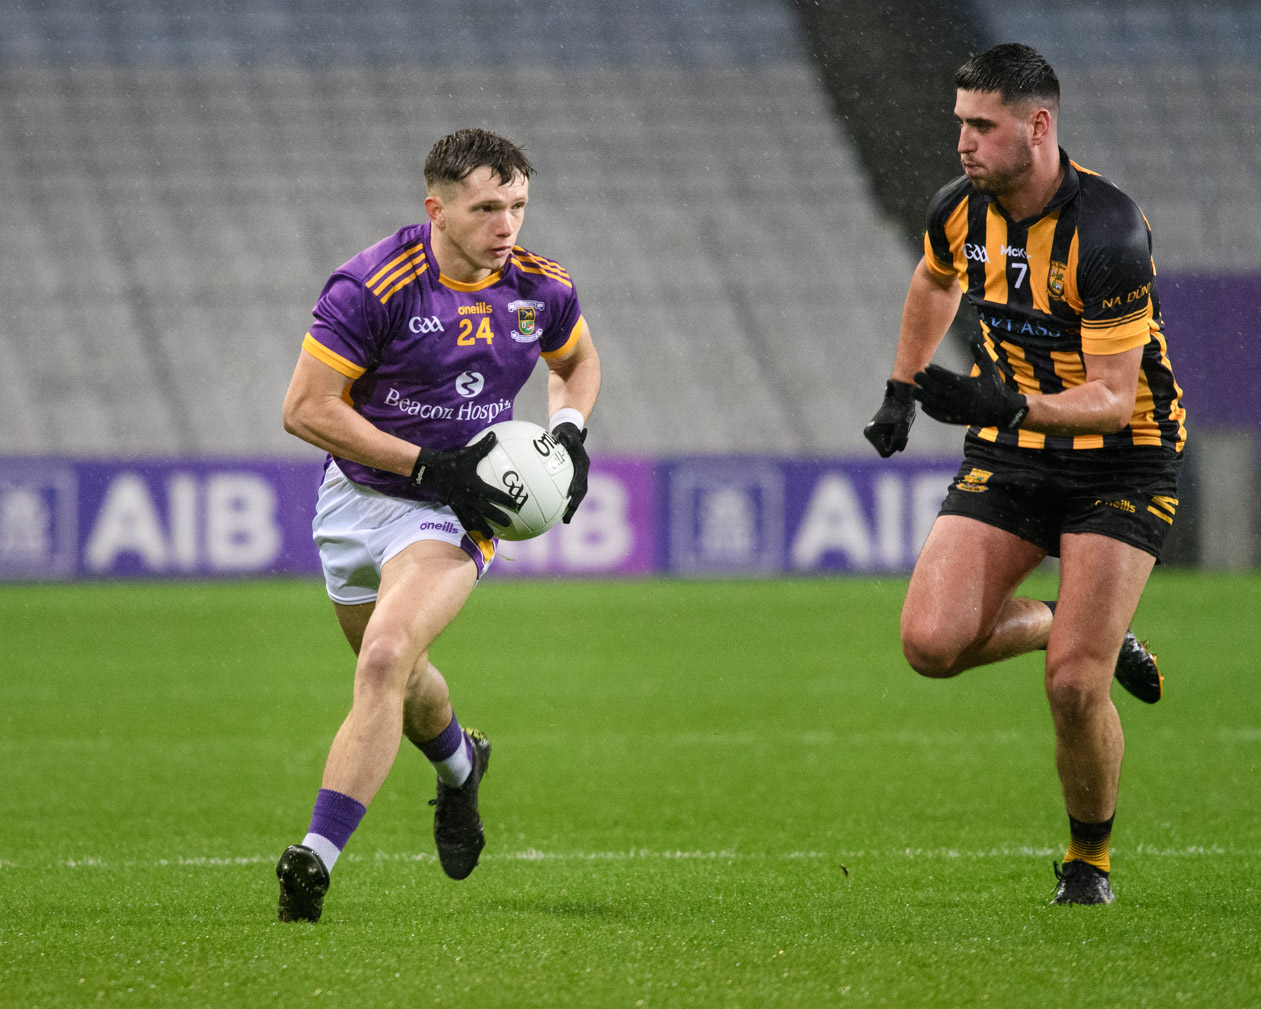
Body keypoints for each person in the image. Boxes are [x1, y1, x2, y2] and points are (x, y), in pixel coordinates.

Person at [863, 43, 1185, 905]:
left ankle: (1088, 861)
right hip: (1015, 444)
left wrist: (1002, 406)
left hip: (1123, 458)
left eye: (981, 125)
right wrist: (900, 390)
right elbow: (933, 279)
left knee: (1074, 686)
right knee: (930, 645)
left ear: (1036, 126)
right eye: (958, 123)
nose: (961, 142)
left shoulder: (1108, 231)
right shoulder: (959, 209)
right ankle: (1068, 622)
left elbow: (1114, 400)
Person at [275, 128, 601, 923]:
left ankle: (314, 858)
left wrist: (568, 434)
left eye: (518, 205)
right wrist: (424, 461)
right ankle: (461, 769)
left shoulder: (539, 288)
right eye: (487, 207)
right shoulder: (372, 286)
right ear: (438, 208)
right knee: (403, 678)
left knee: (386, 654)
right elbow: (304, 410)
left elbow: (577, 364)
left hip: (453, 510)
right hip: (358, 500)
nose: (506, 225)